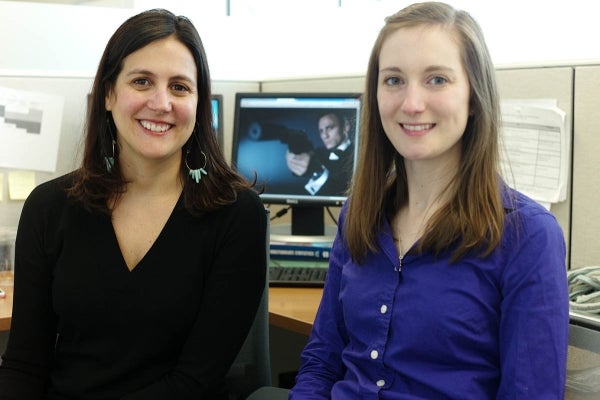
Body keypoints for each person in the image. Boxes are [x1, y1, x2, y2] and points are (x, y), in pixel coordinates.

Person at [290, 2, 569, 399]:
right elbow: (322, 361)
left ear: (474, 96)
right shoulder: (359, 214)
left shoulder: (527, 237)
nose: (411, 103)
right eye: (393, 80)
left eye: (437, 79)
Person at [0, 9, 267, 400]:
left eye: (180, 87)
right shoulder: (50, 207)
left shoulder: (236, 214)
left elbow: (194, 381)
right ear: (109, 94)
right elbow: (25, 363)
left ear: (198, 103)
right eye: (142, 82)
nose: (161, 103)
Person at [285, 110, 354, 196]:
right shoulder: (319, 153)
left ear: (346, 126)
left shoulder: (357, 155)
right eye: (321, 131)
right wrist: (293, 156)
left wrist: (319, 170)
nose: (325, 136)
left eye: (329, 128)